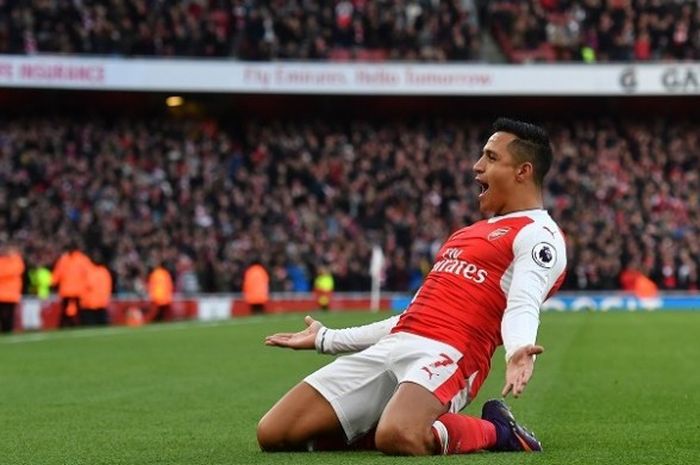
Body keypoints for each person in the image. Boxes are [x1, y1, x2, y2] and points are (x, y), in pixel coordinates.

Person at [257, 118, 568, 456]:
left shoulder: (539, 234)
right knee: (275, 433)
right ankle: (380, 426)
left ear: (522, 171)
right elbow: (411, 317)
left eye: (491, 158)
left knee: (401, 436)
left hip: (451, 353)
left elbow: (522, 301)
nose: (477, 166)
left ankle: (497, 431)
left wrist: (519, 347)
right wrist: (326, 339)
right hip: (395, 345)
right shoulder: (462, 236)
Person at [52, 242, 91, 328]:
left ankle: (65, 325)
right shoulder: (82, 259)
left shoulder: (64, 259)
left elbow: (57, 273)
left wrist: (53, 283)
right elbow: (88, 273)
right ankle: (79, 324)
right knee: (78, 310)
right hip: (77, 290)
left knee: (67, 310)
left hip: (68, 290)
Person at [79, 257, 112, 326]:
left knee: (90, 326)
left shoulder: (90, 271)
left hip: (90, 303)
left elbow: (88, 284)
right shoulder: (105, 271)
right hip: (102, 302)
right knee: (102, 325)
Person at [0, 242, 25, 333]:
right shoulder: (3, 260)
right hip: (4, 293)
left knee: (8, 314)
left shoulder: (17, 260)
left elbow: (13, 271)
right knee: (4, 314)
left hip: (10, 294)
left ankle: (7, 330)